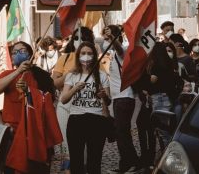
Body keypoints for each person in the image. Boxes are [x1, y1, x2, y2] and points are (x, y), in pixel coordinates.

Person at [0, 41, 62, 174]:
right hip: (11, 133)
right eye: (14, 52)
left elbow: (48, 100)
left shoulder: (42, 76)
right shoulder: (6, 74)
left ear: (31, 55)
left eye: (22, 51)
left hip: (34, 132)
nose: (18, 54)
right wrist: (18, 71)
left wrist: (29, 91)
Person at [60, 41, 110, 174]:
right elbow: (64, 99)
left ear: (94, 56)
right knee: (76, 162)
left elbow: (108, 101)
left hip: (97, 121)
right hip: (76, 120)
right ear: (78, 55)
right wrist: (74, 89)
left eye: (89, 53)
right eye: (83, 53)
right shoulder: (72, 75)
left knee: (95, 162)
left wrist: (103, 95)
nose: (86, 56)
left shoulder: (102, 75)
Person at [51, 26, 95, 174]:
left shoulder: (95, 59)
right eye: (76, 38)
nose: (79, 41)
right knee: (66, 144)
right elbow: (55, 83)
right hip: (65, 106)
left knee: (84, 145)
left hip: (86, 108)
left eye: (83, 38)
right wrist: (72, 71)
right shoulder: (65, 58)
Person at [104, 25, 141, 174]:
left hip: (124, 98)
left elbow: (119, 48)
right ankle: (125, 164)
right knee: (121, 133)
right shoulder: (111, 55)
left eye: (107, 38)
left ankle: (133, 163)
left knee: (122, 132)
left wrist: (113, 38)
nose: (105, 41)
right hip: (118, 99)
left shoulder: (122, 51)